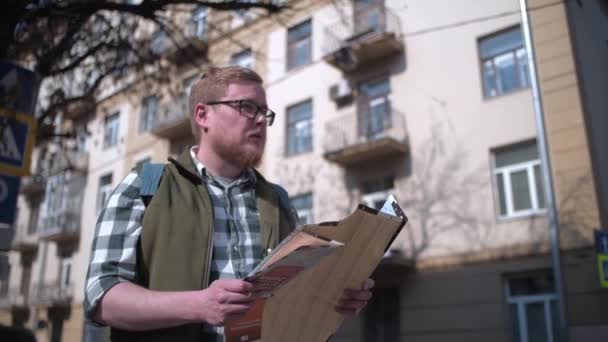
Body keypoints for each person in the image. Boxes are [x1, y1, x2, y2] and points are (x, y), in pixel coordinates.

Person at [84, 66, 374, 342]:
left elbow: (292, 297)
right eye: (247, 107)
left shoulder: (277, 200)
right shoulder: (146, 184)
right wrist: (198, 305)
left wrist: (333, 297)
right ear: (203, 115)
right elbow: (102, 296)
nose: (261, 120)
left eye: (264, 112)